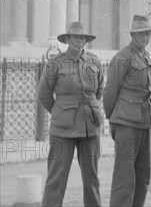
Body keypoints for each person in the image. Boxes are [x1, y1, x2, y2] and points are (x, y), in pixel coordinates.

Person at [37, 21, 103, 207]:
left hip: (90, 129)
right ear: (67, 39)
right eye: (75, 37)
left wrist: (91, 108)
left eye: (82, 37)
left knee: (92, 180)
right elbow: (44, 94)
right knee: (56, 181)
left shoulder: (94, 61)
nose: (79, 40)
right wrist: (60, 111)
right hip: (63, 131)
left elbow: (99, 91)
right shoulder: (56, 63)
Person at [103, 15, 151, 207]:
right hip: (126, 122)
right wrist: (114, 121)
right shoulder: (122, 57)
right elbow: (110, 92)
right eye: (141, 34)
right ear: (132, 34)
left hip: (144, 122)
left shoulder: (146, 56)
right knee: (124, 178)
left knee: (143, 175)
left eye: (148, 33)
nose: (145, 37)